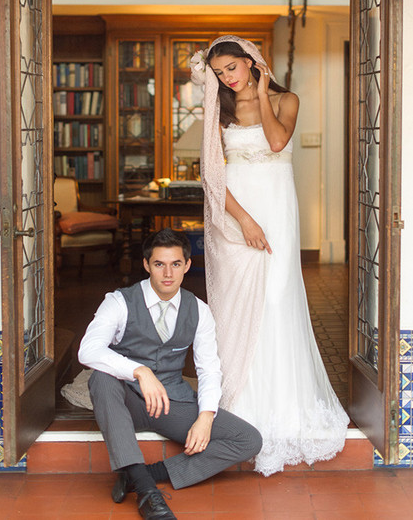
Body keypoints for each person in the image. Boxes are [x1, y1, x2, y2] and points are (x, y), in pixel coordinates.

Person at [191, 35, 349, 476]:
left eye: (232, 68)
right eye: (219, 73)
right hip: (237, 215)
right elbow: (212, 175)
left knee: (278, 299)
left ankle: (284, 406)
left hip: (277, 210)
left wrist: (261, 93)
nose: (227, 78)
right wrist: (244, 221)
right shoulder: (218, 110)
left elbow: (277, 143)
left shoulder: (286, 100)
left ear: (251, 61)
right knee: (239, 306)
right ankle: (242, 406)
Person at [78, 228, 262, 520]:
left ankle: (140, 475)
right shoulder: (119, 301)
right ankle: (147, 492)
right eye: (159, 264)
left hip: (170, 403)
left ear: (187, 265)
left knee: (248, 439)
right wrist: (139, 371)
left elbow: (208, 368)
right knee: (100, 378)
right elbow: (88, 350)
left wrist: (206, 417)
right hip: (127, 401)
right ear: (146, 265)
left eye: (175, 264)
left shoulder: (199, 310)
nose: (168, 273)